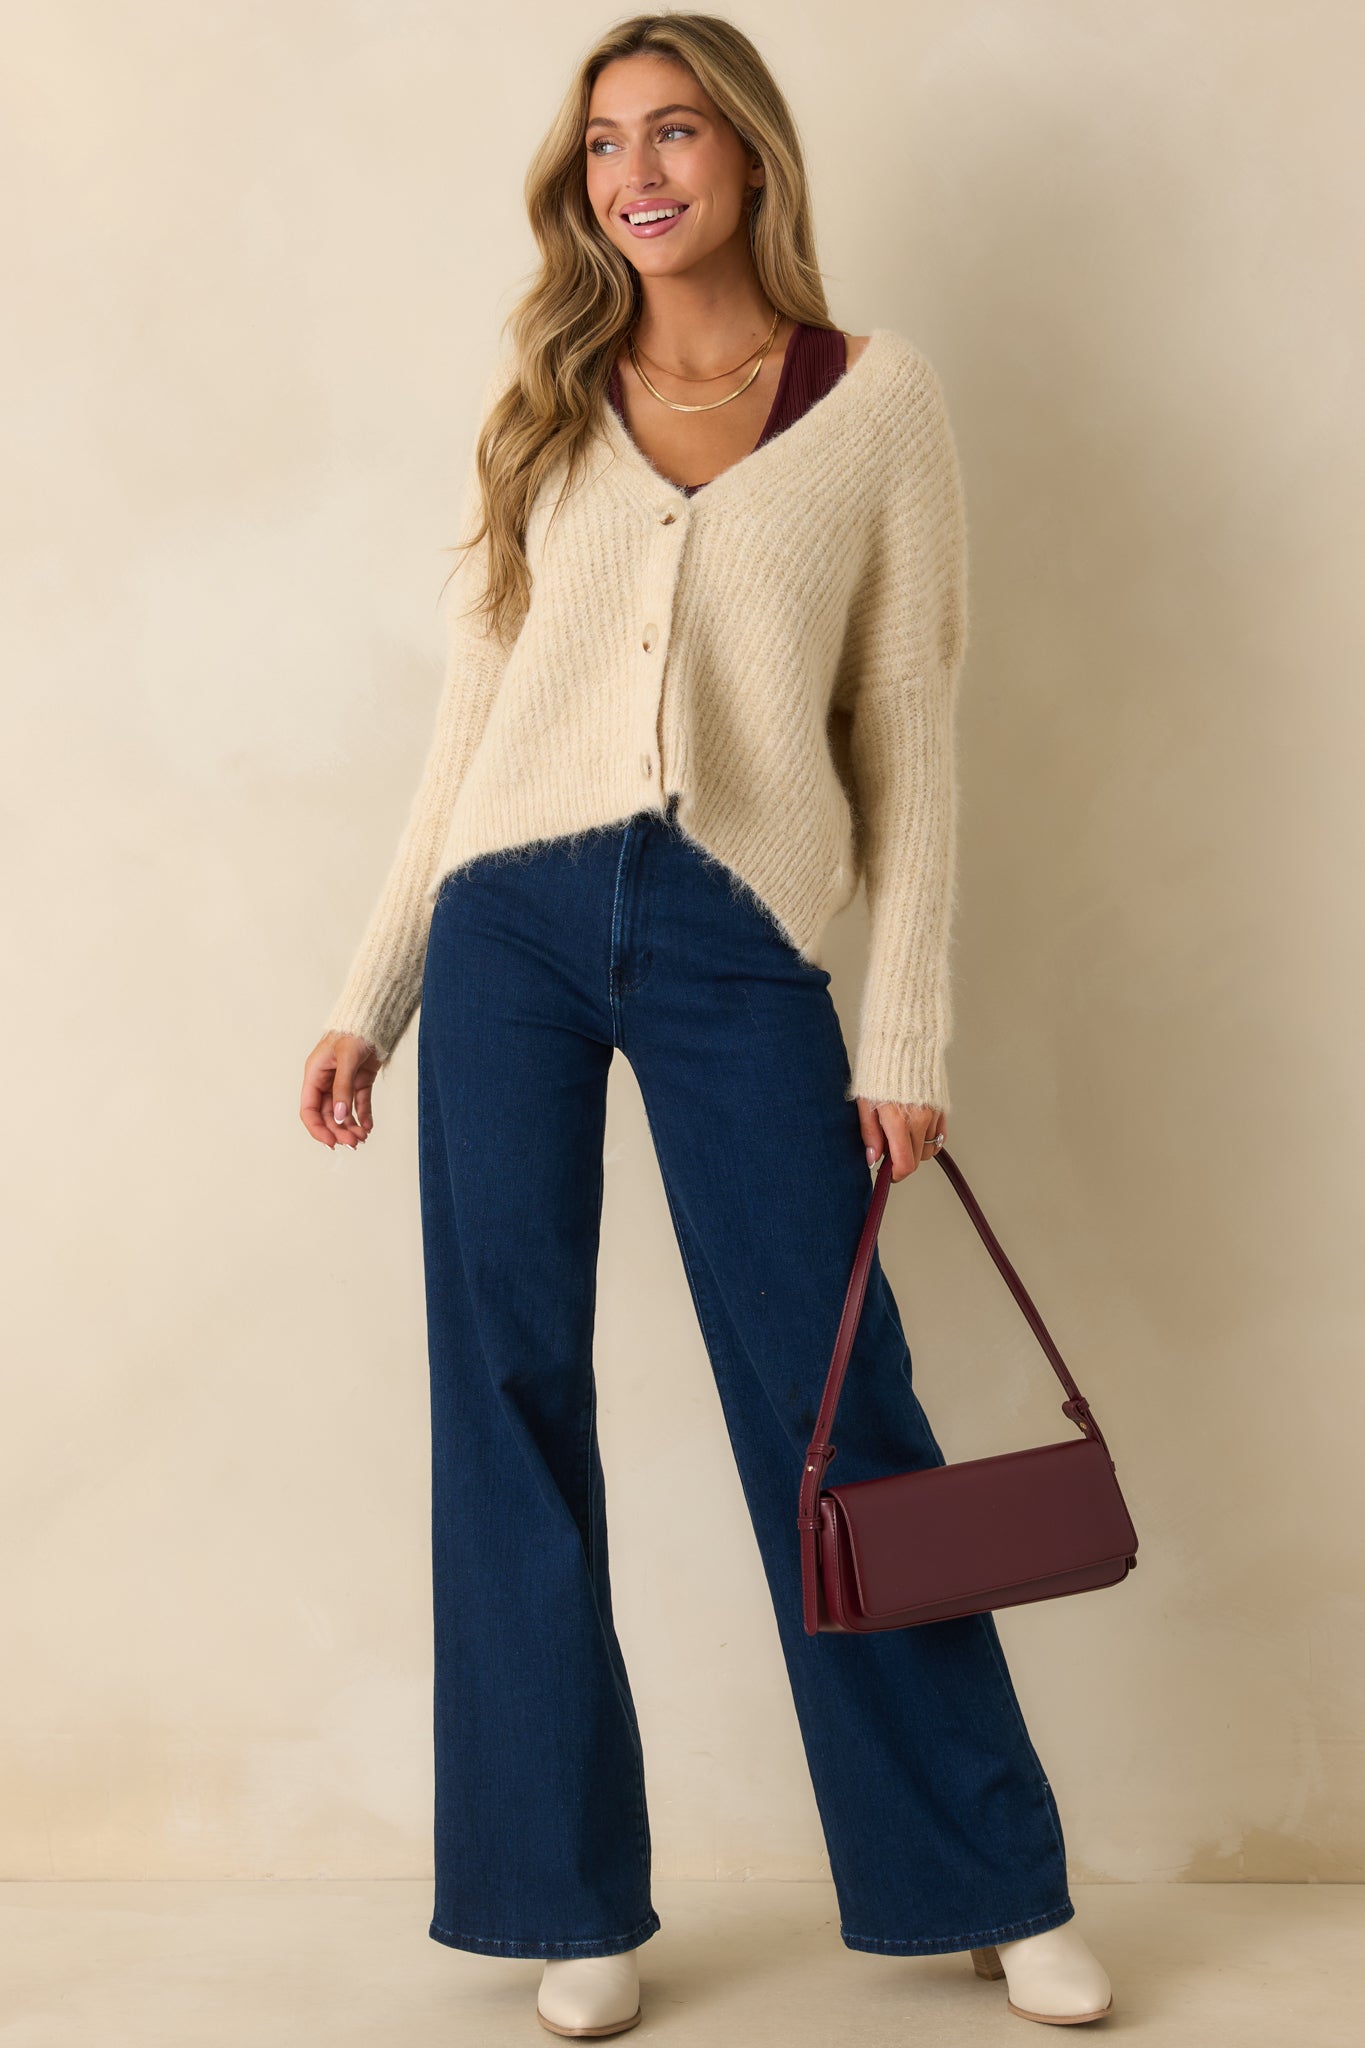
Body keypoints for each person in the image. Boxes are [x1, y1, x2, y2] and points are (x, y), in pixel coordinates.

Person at [300, 14, 1114, 2037]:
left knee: (838, 1405)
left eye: (672, 132)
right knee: (503, 1389)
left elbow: (907, 735)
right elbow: (466, 728)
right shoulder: (546, 407)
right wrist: (369, 995)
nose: (635, 172)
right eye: (603, 144)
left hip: (734, 931)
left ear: (746, 156)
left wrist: (900, 1028)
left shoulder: (873, 402)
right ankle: (563, 1893)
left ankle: (982, 1873)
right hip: (506, 923)